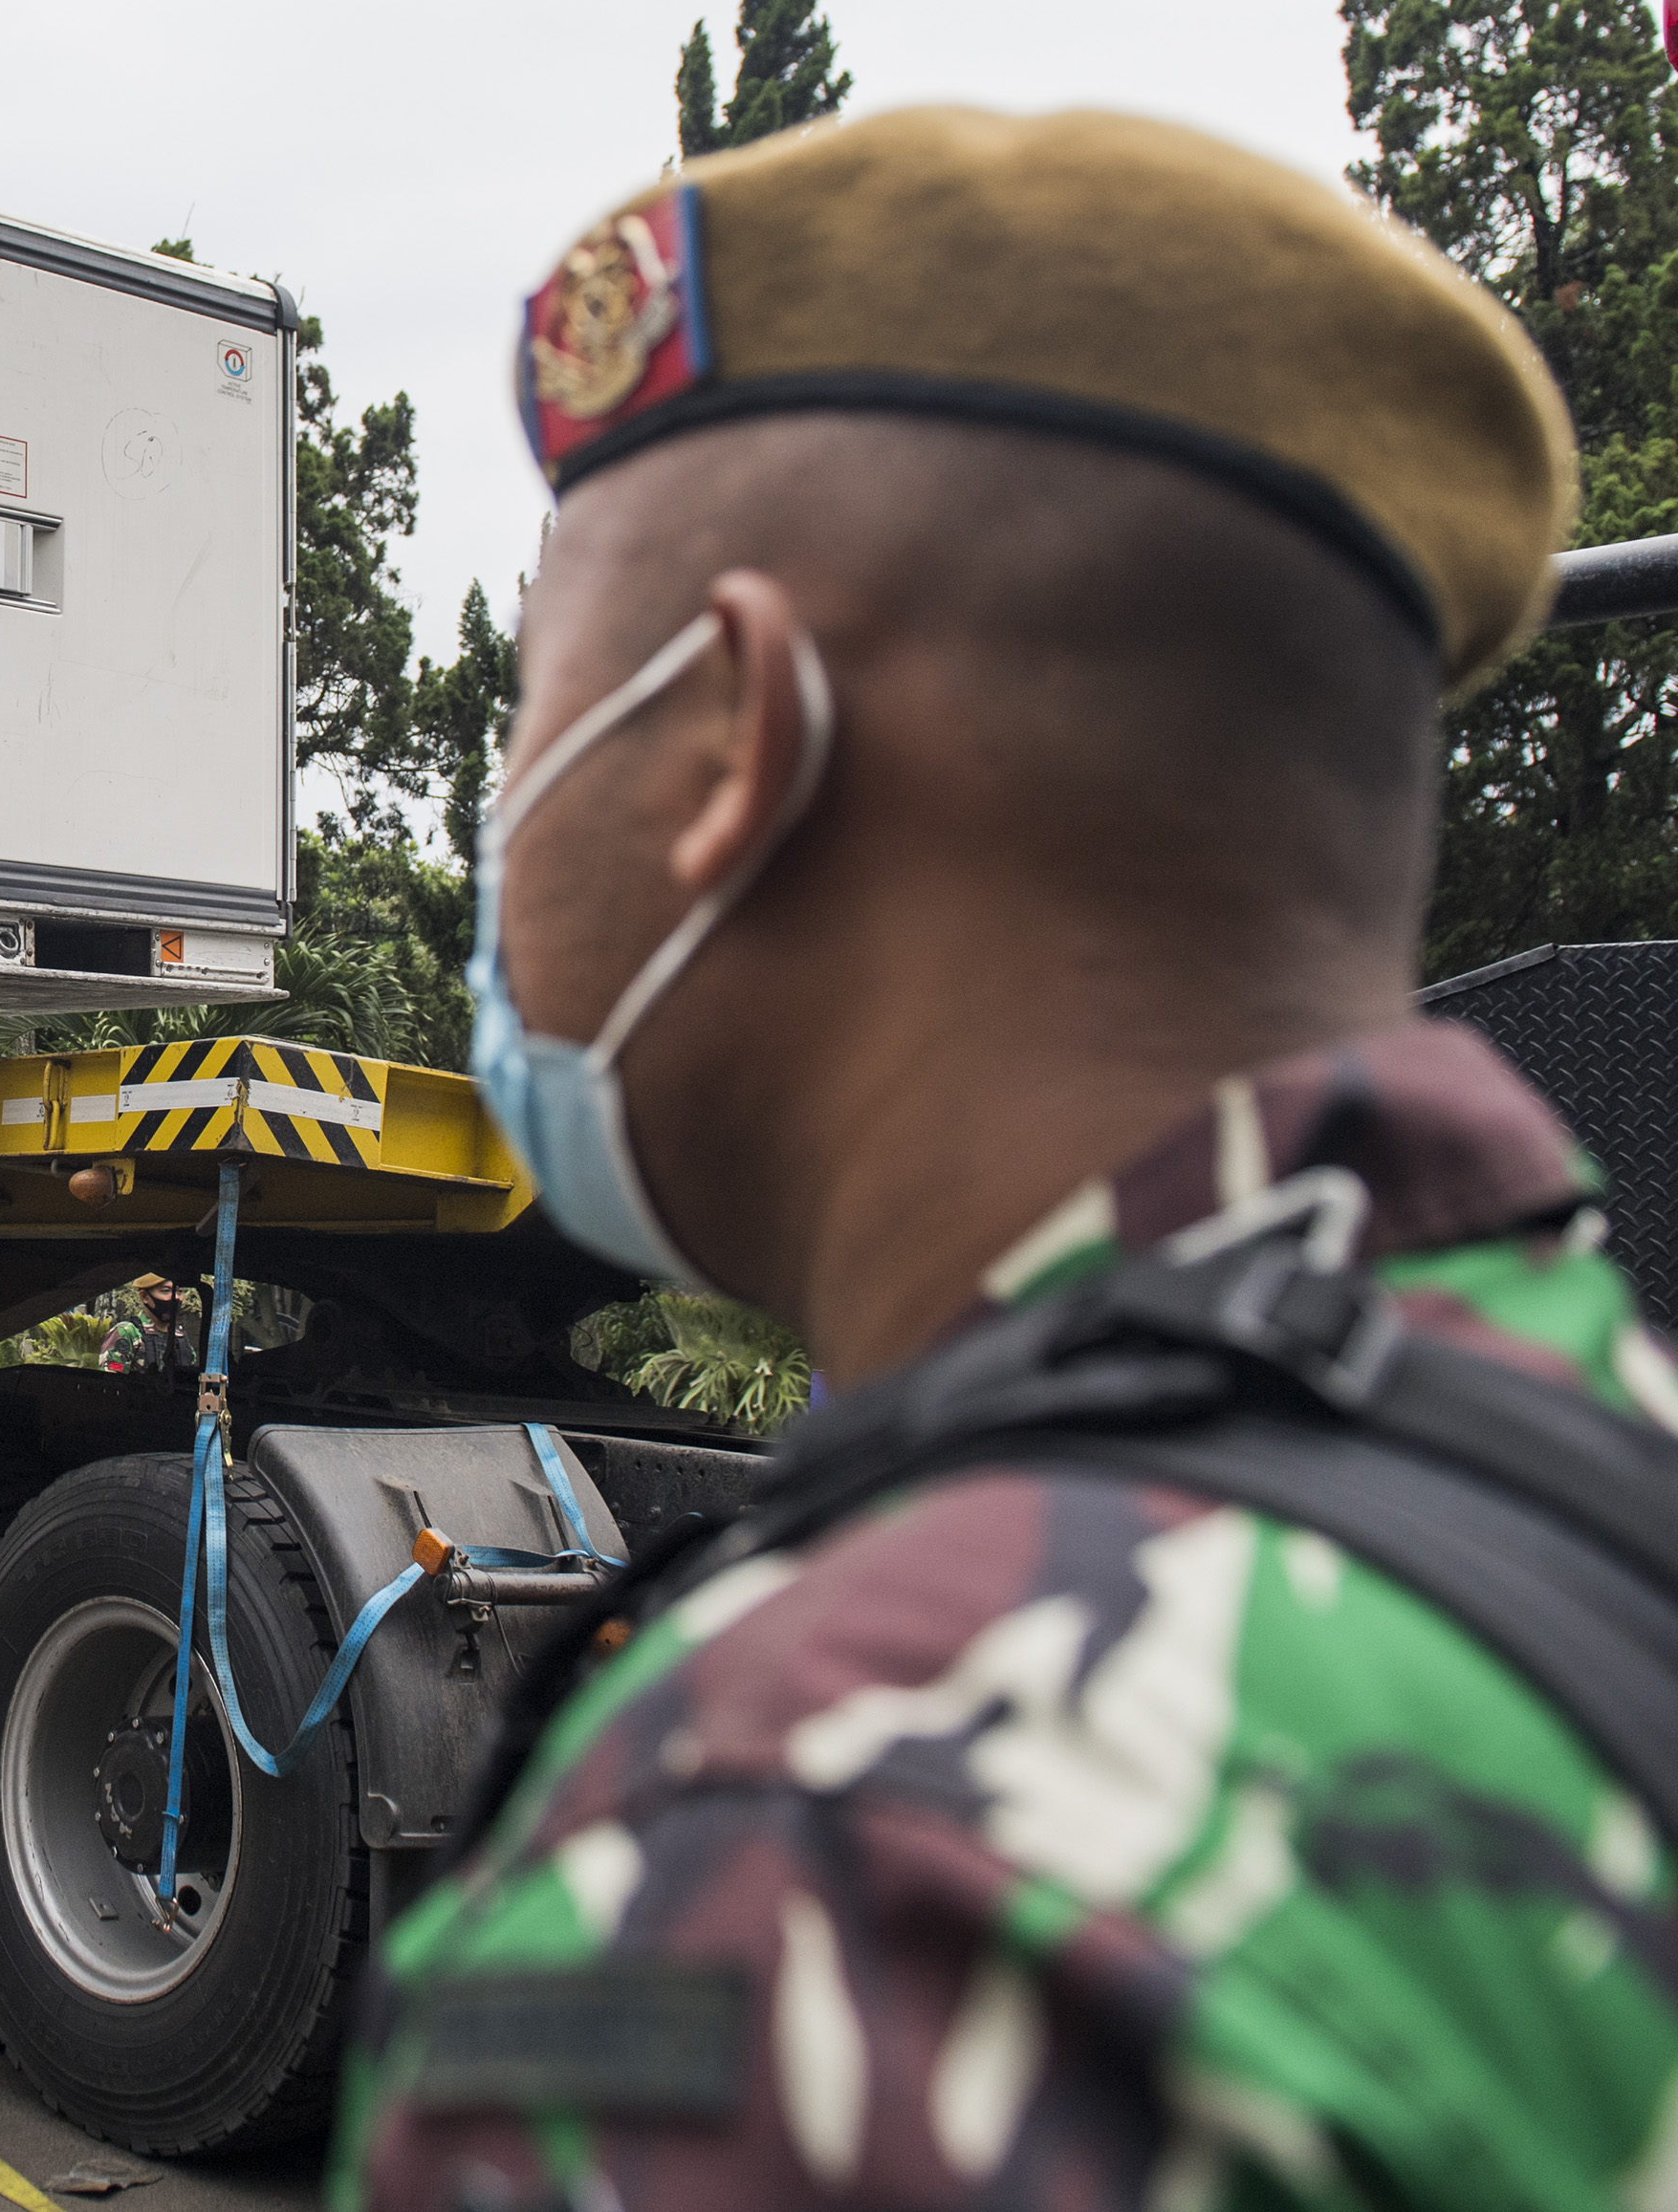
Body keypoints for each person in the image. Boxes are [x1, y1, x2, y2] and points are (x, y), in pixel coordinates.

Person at [336, 109, 1666, 2207]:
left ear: (726, 751)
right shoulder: (1586, 1473)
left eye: (528, 722)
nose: (500, 841)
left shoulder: (814, 1880)